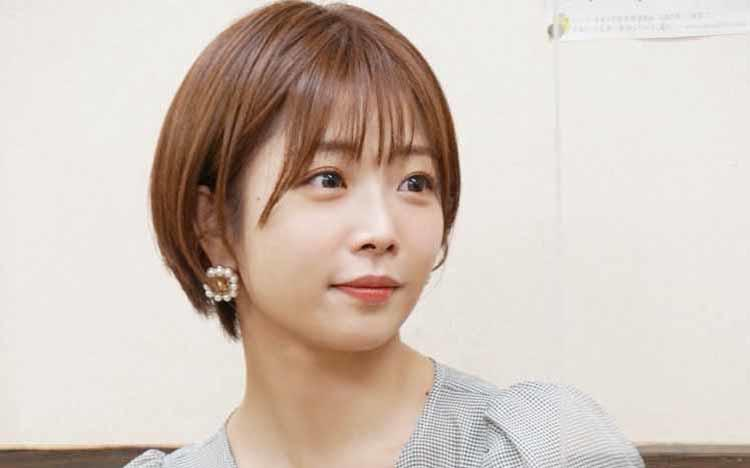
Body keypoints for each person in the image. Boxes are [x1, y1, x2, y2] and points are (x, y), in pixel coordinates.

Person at [125, 1, 645, 467]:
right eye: (328, 179)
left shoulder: (537, 450)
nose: (382, 229)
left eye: (415, 183)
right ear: (214, 224)